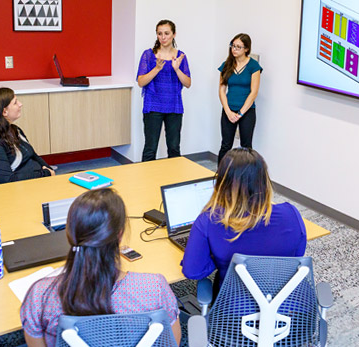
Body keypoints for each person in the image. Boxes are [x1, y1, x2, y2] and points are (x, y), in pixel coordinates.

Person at [20, 189, 181, 347]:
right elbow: (172, 341)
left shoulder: (40, 295)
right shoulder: (155, 288)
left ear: (69, 233)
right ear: (119, 235)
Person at [181, 148, 306, 291]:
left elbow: (193, 272)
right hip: (284, 301)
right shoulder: (291, 214)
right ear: (264, 180)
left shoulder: (210, 220)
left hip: (233, 308)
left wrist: (219, 258)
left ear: (222, 182)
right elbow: (296, 256)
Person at [137, 19, 191, 162]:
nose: (163, 37)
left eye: (166, 33)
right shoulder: (148, 55)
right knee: (150, 148)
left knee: (174, 148)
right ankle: (147, 182)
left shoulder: (180, 56)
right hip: (153, 106)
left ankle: (173, 182)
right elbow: (141, 82)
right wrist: (157, 68)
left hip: (174, 106)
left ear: (174, 34)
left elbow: (188, 83)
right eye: (160, 34)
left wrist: (177, 69)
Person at [0, 87, 55, 185]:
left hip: (38, 180)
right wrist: (45, 173)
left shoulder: (15, 130)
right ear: (4, 112)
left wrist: (50, 170)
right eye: (15, 102)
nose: (20, 104)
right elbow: (8, 180)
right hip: (17, 190)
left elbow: (33, 155)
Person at [217, 33, 262, 164]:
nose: (234, 49)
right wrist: (228, 111)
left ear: (246, 49)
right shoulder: (226, 65)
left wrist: (240, 113)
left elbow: (254, 92)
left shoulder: (253, 66)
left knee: (246, 147)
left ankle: (246, 178)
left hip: (247, 111)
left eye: (238, 47)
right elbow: (221, 89)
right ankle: (221, 176)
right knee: (226, 145)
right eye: (233, 46)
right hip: (228, 110)